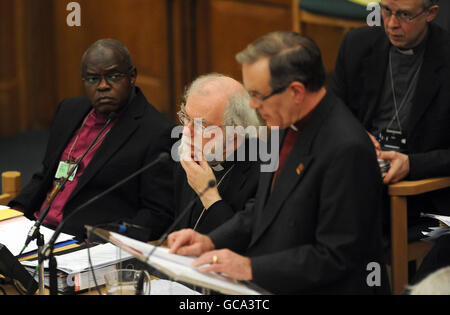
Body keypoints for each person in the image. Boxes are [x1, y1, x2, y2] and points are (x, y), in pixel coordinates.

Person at [168, 31, 390, 294]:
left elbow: (336, 256)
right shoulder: (284, 124)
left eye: (259, 95)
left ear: (296, 91)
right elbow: (262, 209)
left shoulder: (346, 147)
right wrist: (209, 241)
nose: (251, 105)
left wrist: (250, 268)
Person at [9, 39, 175, 241]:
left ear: (132, 76)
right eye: (93, 79)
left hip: (82, 244)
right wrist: (12, 216)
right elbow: (45, 174)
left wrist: (103, 239)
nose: (103, 86)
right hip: (37, 229)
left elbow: (157, 214)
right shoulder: (68, 110)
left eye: (113, 76)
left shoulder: (156, 131)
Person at [332, 0, 450, 219]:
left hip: (420, 188)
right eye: (386, 10)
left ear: (430, 13)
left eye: (405, 15)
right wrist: (356, 137)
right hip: (360, 166)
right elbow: (332, 114)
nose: (392, 24)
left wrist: (412, 164)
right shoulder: (357, 44)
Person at [173, 73, 263, 234]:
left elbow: (247, 244)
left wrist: (208, 194)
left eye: (202, 125)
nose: (186, 131)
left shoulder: (264, 170)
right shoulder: (188, 152)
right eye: (186, 118)